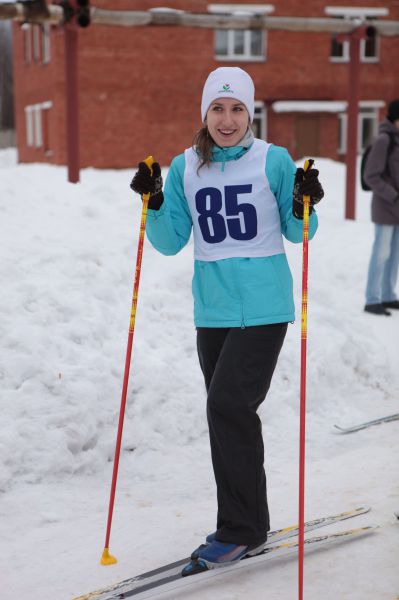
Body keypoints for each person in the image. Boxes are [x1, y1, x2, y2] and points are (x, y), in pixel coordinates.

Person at [130, 67, 324, 574]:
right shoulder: (185, 167)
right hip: (212, 311)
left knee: (227, 406)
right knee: (229, 416)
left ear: (250, 112)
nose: (227, 119)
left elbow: (296, 230)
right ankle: (245, 522)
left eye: (237, 108)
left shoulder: (274, 161)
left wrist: (306, 201)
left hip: (264, 309)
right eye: (218, 108)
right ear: (204, 113)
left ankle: (240, 530)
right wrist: (152, 202)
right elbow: (171, 240)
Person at [364, 99, 399, 316]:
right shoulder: (384, 140)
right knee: (381, 253)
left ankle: (388, 295)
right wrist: (394, 196)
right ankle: (372, 299)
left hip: (397, 209)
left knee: (394, 255)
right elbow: (371, 176)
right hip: (386, 207)